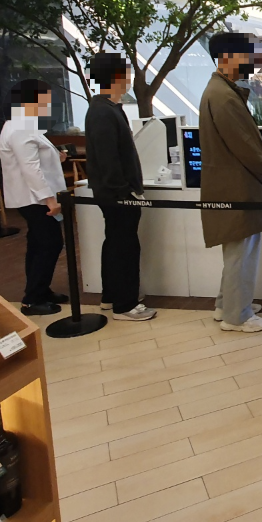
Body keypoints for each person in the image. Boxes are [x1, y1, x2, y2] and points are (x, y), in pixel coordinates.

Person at [199, 33, 262, 333]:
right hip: (237, 185)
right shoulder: (223, 96)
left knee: (237, 249)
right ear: (227, 57)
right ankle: (238, 315)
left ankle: (227, 304)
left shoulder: (222, 91)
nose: (252, 61)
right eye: (247, 55)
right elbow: (245, 143)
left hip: (233, 183)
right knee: (241, 251)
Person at [85, 52, 157, 322]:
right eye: (126, 73)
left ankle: (111, 295)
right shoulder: (102, 112)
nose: (129, 78)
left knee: (115, 242)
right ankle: (125, 304)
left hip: (117, 192)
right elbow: (108, 158)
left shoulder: (110, 108)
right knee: (124, 246)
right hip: (116, 194)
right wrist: (123, 191)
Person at [0, 80, 70, 316]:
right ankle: (32, 299)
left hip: (34, 198)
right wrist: (50, 200)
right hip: (35, 199)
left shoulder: (23, 125)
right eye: (44, 99)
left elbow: (36, 158)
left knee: (38, 243)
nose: (47, 105)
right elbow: (31, 168)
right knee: (50, 244)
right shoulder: (20, 128)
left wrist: (57, 156)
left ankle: (40, 290)